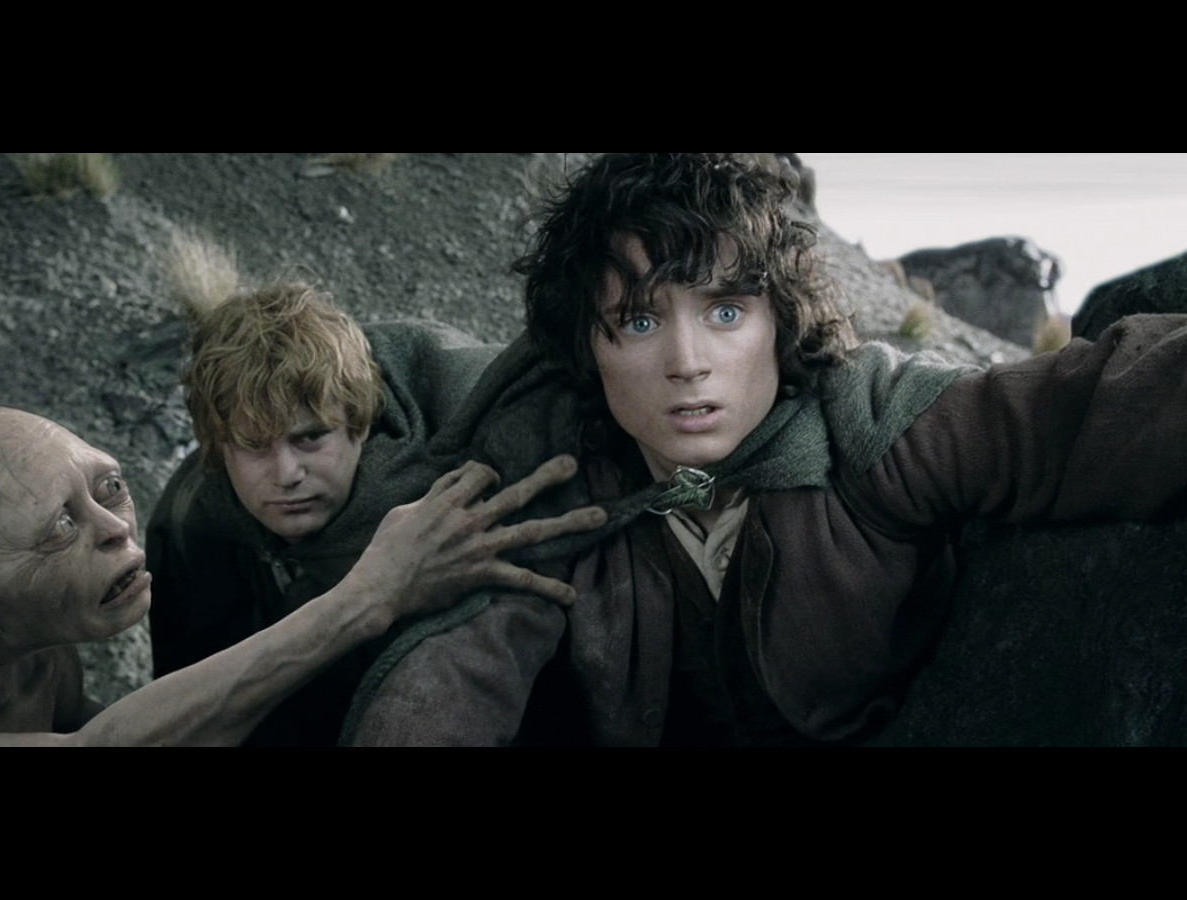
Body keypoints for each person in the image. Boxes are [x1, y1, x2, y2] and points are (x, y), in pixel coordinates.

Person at [345, 152, 1187, 746]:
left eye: (725, 312)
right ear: (589, 349)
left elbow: (1074, 409)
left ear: (778, 322)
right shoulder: (560, 477)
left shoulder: (863, 419)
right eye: (638, 320)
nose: (687, 362)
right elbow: (453, 674)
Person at [0, 406, 603, 746]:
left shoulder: (16, 632)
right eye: (60, 526)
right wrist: (373, 591)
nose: (115, 531)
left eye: (108, 488)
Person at [146, 234, 534, 744]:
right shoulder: (192, 520)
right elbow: (183, 707)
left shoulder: (446, 506)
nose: (287, 473)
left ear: (359, 424)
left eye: (310, 437)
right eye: (254, 446)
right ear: (219, 449)